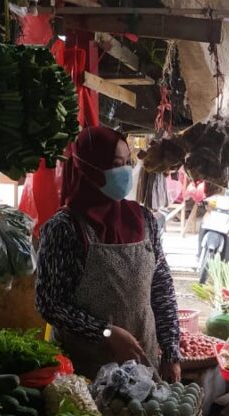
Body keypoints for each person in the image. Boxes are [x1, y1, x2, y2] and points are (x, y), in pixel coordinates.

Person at [36, 126, 181, 382]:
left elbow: (162, 288)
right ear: (91, 167)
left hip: (142, 367)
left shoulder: (143, 219)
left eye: (128, 162)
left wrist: (170, 352)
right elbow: (50, 304)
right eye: (116, 164)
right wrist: (105, 332)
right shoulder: (64, 229)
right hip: (81, 374)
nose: (126, 171)